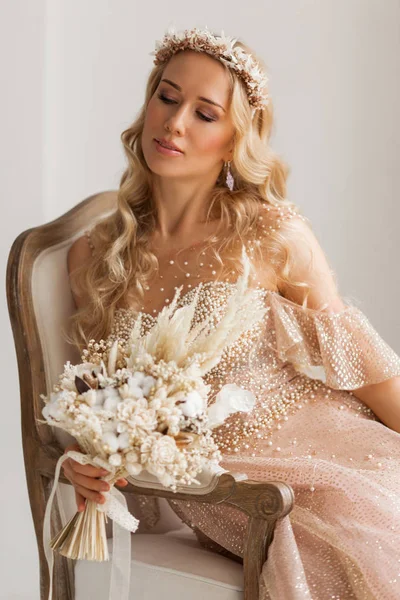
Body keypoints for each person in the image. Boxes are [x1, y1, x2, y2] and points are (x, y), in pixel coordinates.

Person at [63, 26, 400, 599]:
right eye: (167, 98)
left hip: (337, 454)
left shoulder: (271, 234)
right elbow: (92, 396)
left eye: (205, 113)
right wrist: (81, 458)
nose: (174, 124)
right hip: (229, 491)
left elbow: (371, 374)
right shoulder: (96, 255)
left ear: (234, 138)